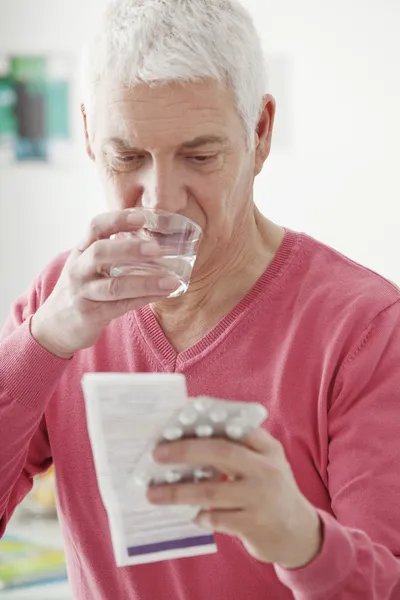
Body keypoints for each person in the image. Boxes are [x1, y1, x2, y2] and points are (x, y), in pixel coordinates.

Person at [1, 0, 400, 598]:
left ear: (259, 133)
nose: (161, 200)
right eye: (127, 157)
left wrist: (301, 540)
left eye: (200, 156)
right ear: (87, 135)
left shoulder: (366, 326)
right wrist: (44, 342)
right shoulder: (59, 300)